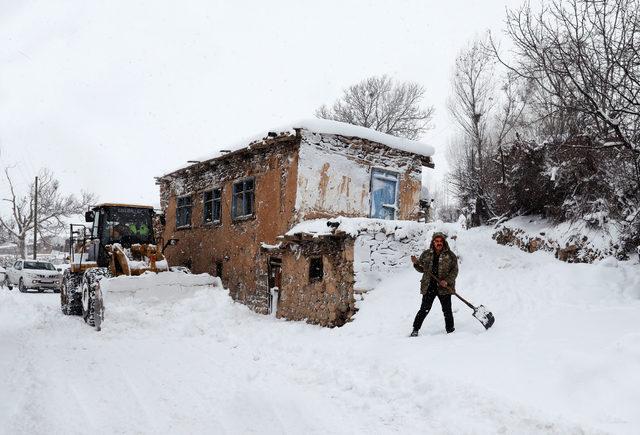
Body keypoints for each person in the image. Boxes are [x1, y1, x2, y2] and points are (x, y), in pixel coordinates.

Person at [410, 232, 458, 336]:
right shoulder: (426, 254)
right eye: (437, 241)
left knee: (447, 310)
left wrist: (447, 281)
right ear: (433, 242)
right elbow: (422, 269)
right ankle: (415, 329)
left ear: (444, 242)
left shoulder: (450, 255)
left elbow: (455, 271)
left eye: (441, 241)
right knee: (424, 309)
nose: (439, 243)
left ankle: (450, 330)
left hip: (444, 287)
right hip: (429, 286)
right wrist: (416, 263)